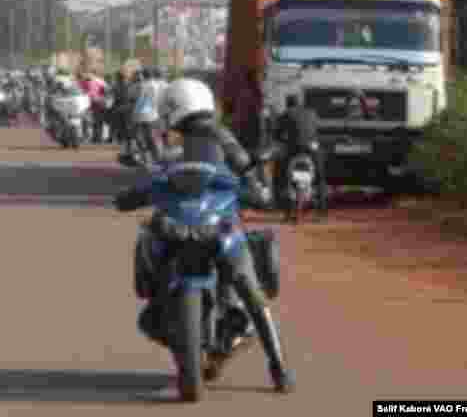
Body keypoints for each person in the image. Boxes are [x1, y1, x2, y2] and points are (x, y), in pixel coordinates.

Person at [114, 77, 294, 393]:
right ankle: (278, 370)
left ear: (175, 108)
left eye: (167, 109)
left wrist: (256, 191)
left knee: (249, 288)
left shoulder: (218, 137)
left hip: (218, 220)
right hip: (195, 217)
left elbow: (246, 173)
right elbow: (161, 174)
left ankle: (278, 364)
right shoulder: (183, 143)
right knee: (248, 289)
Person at [273, 93, 327, 219]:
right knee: (320, 177)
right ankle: (322, 208)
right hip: (312, 148)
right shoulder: (312, 113)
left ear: (287, 104)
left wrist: (283, 140)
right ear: (300, 103)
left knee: (281, 174)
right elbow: (317, 130)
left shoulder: (285, 115)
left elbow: (277, 135)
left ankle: (286, 210)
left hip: (294, 148)